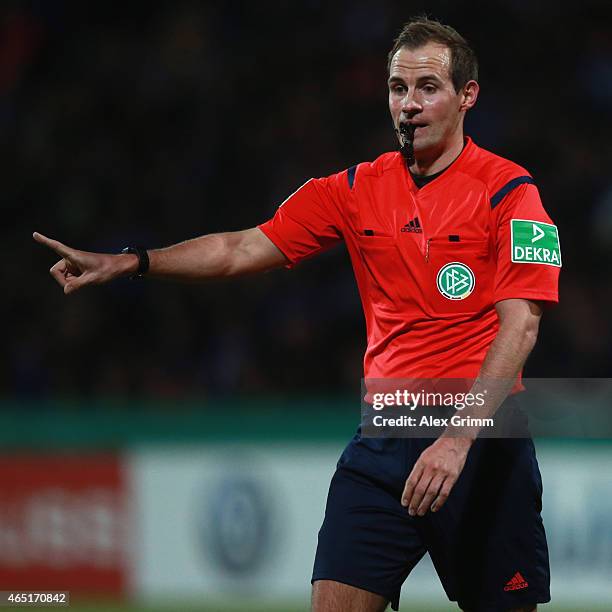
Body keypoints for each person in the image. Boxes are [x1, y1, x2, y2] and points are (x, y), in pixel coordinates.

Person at [34, 16, 560, 612]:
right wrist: (130, 263)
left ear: (468, 96)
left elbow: (523, 325)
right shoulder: (353, 188)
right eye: (397, 88)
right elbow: (241, 248)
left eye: (427, 88)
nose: (409, 105)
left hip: (483, 442)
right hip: (385, 438)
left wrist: (458, 440)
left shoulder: (512, 194)